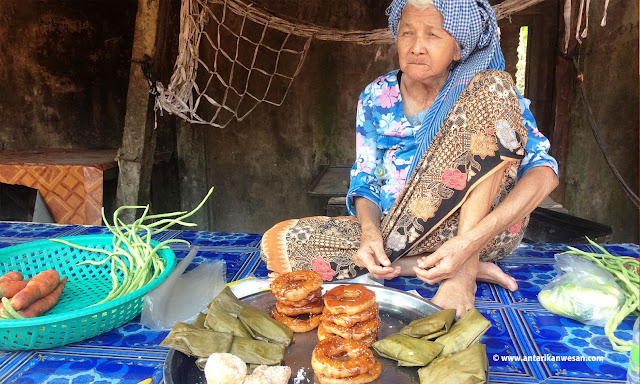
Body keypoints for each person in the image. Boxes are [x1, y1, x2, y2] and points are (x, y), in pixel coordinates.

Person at [261, 0, 559, 317]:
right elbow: (367, 180)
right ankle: (431, 266)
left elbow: (545, 174)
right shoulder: (377, 95)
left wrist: (468, 245)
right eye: (407, 33)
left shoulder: (489, 92)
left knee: (493, 83)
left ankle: (464, 270)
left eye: (432, 35)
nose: (417, 47)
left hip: (485, 233)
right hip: (403, 235)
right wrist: (370, 234)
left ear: (458, 48)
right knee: (282, 244)